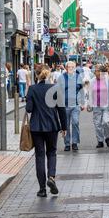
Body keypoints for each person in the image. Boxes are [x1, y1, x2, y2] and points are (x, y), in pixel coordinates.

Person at [26, 65, 67, 198]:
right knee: (52, 152)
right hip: (52, 126)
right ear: (49, 74)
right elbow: (61, 109)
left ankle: (42, 189)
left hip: (36, 127)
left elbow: (29, 109)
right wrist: (64, 127)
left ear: (36, 75)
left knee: (39, 155)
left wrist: (30, 97)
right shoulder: (55, 88)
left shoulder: (32, 89)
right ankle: (51, 177)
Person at [87, 65, 109, 148]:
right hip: (96, 106)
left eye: (98, 71)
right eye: (95, 71)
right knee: (97, 124)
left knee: (105, 122)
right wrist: (89, 105)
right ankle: (100, 141)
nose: (96, 73)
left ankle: (107, 137)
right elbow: (89, 94)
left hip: (106, 105)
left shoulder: (108, 80)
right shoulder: (92, 81)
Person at [57, 61, 85, 152]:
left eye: (73, 67)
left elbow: (81, 91)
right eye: (70, 67)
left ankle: (75, 143)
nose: (72, 68)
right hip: (64, 105)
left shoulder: (78, 77)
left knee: (75, 122)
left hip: (76, 105)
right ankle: (67, 143)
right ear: (66, 68)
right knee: (66, 125)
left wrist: (83, 102)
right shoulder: (61, 77)